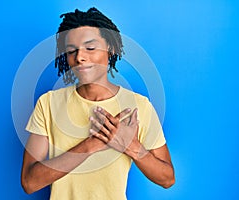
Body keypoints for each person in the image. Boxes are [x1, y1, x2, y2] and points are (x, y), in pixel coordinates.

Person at [21, 7, 175, 200]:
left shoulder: (138, 106)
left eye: (90, 48)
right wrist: (91, 145)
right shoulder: (48, 103)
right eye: (71, 51)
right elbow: (29, 182)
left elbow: (167, 178)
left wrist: (131, 145)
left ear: (110, 48)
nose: (80, 57)